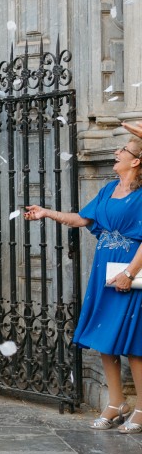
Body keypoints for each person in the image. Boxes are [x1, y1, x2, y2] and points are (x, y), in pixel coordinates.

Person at [26, 134, 142, 433]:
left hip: (131, 269)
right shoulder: (108, 189)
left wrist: (130, 273)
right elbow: (82, 219)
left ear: (136, 160)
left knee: (133, 344)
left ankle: (141, 407)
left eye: (123, 149)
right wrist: (46, 213)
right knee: (105, 339)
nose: (116, 152)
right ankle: (117, 403)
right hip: (105, 268)